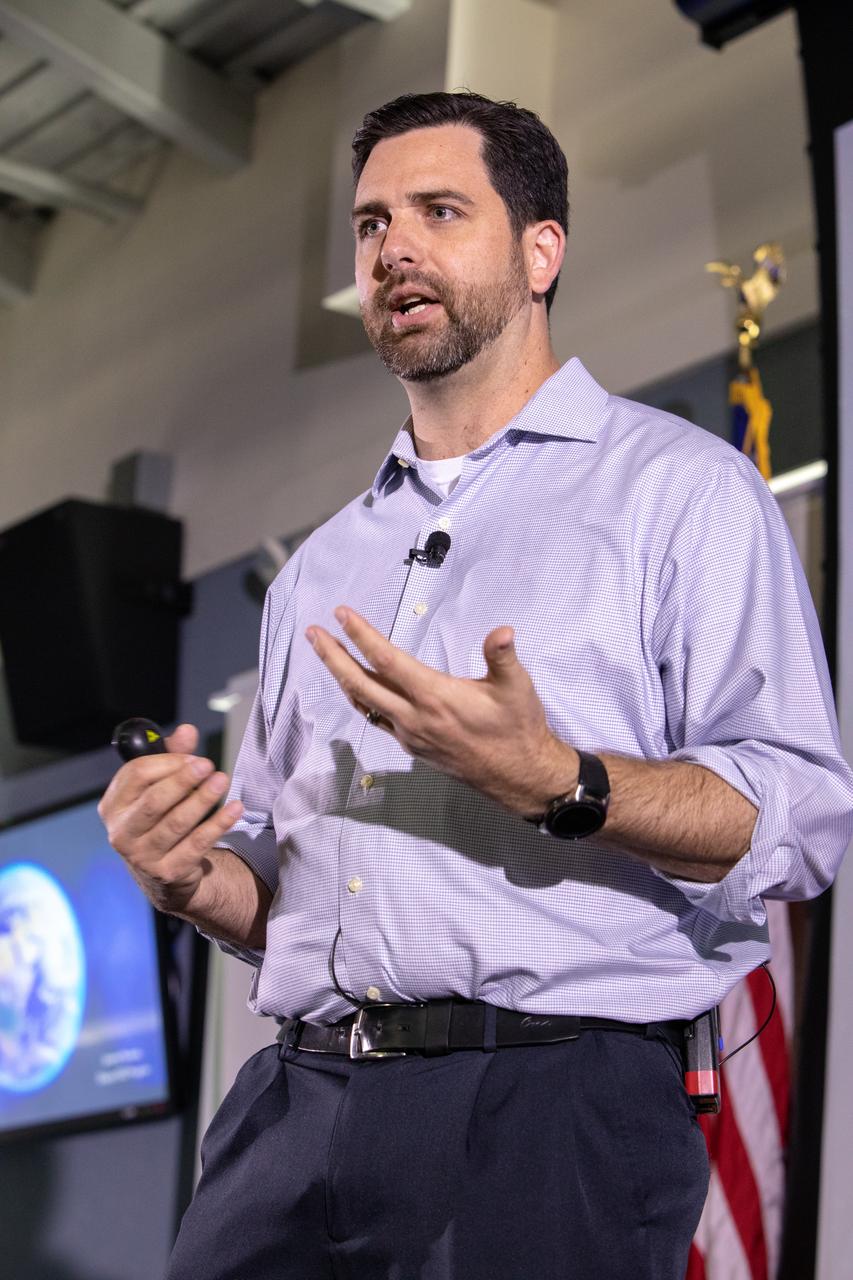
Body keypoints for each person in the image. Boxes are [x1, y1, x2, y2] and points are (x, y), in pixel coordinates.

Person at [99, 92, 853, 1280]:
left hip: (549, 1104)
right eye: (370, 224)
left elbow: (798, 821)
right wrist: (190, 877)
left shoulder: (682, 493)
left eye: (437, 211)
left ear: (540, 249)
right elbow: (285, 898)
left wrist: (563, 780)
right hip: (295, 1100)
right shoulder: (315, 571)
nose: (391, 249)